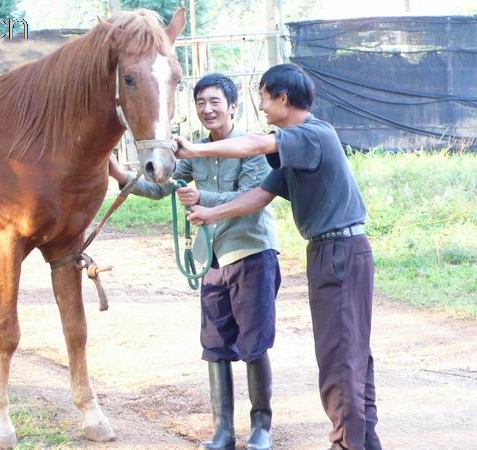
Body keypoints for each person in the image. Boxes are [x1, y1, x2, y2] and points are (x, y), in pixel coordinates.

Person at [177, 64, 381, 450]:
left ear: (283, 99)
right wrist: (209, 212)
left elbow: (254, 144)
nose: (262, 106)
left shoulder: (311, 135)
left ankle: (346, 444)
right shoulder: (297, 148)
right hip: (332, 251)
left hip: (339, 251)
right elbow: (259, 195)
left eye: (265, 97)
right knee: (350, 356)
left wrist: (197, 149)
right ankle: (365, 443)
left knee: (341, 361)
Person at [109, 73, 280, 450]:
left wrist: (203, 199)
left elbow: (252, 195)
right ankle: (223, 431)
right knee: (215, 342)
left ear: (233, 106)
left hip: (251, 252)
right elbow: (158, 188)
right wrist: (116, 170)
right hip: (212, 258)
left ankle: (261, 428)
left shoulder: (253, 146)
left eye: (215, 102)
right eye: (201, 102)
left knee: (254, 342)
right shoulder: (193, 150)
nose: (207, 109)